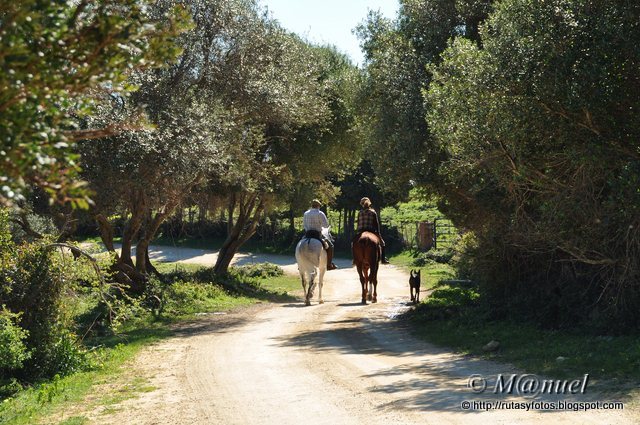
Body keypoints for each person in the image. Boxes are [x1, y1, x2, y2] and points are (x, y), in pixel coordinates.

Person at [303, 199, 337, 270]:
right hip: (317, 234)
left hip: (308, 234)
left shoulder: (306, 213)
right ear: (318, 206)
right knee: (331, 246)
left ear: (312, 206)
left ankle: (301, 265)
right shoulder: (320, 213)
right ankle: (329, 265)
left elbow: (305, 225)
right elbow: (326, 225)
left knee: (300, 245)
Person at [354, 197, 389, 264]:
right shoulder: (373, 212)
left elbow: (358, 224)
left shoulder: (360, 212)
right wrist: (378, 234)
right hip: (371, 230)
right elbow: (376, 224)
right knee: (383, 243)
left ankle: (355, 259)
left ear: (361, 204)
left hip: (361, 231)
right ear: (369, 204)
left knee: (353, 243)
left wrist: (357, 232)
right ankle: (383, 259)